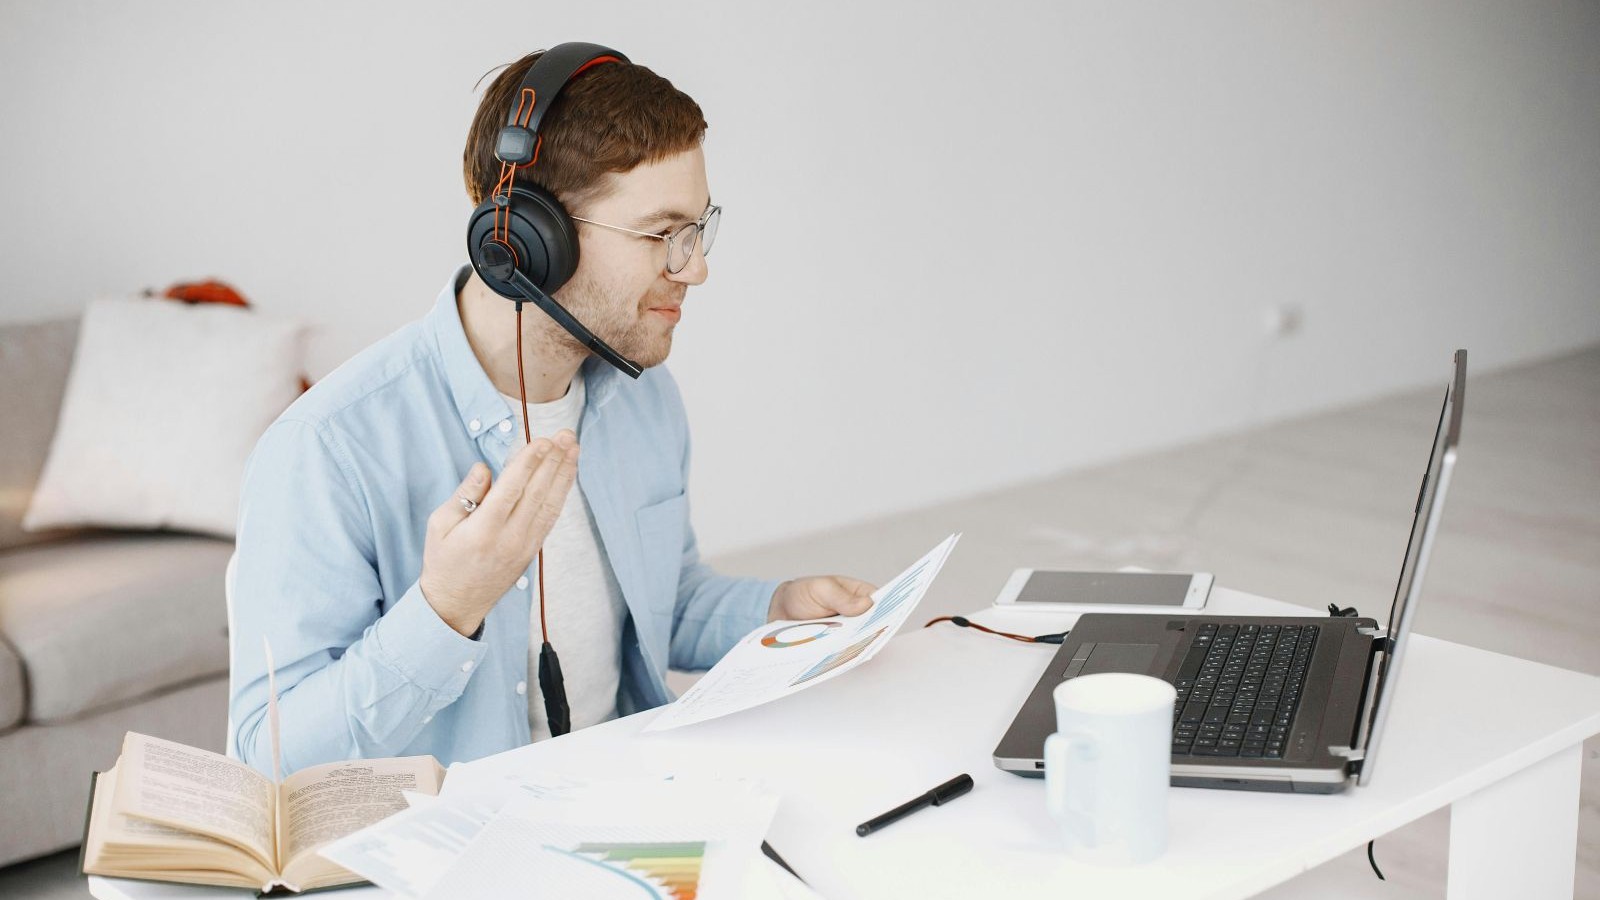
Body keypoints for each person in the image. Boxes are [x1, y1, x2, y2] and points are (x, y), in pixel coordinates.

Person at [228, 46, 877, 776]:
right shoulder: (327, 448)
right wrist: (446, 608)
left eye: (698, 230)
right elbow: (267, 756)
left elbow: (658, 601)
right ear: (530, 241)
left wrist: (776, 612)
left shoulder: (642, 395)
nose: (695, 267)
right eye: (663, 234)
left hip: (624, 803)